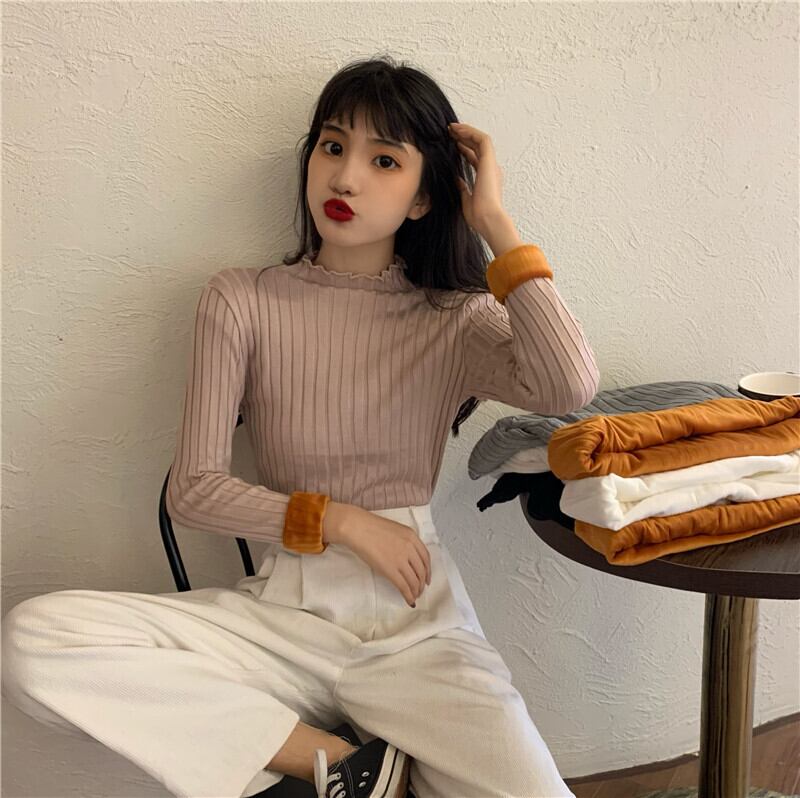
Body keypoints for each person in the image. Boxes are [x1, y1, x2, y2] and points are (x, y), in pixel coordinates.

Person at [2, 54, 599, 798]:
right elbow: (194, 489)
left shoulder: (454, 318)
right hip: (284, 614)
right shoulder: (241, 299)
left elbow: (567, 384)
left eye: (385, 160)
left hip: (417, 628)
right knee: (35, 640)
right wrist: (343, 521)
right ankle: (346, 764)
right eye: (332, 146)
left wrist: (496, 224)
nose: (345, 178)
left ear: (424, 198)